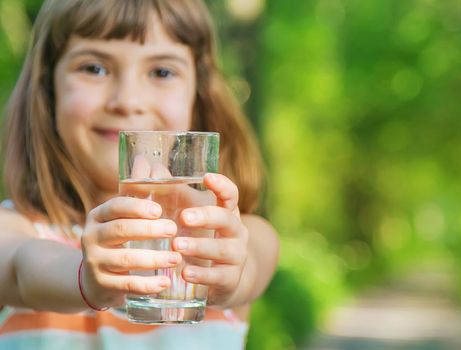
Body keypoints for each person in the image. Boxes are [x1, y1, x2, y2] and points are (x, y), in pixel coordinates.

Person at [0, 0, 280, 348]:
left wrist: (228, 275)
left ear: (200, 95)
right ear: (48, 87)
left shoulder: (235, 239)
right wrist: (87, 278)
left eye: (161, 72)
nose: (127, 100)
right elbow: (20, 269)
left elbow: (247, 267)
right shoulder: (12, 229)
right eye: (94, 68)